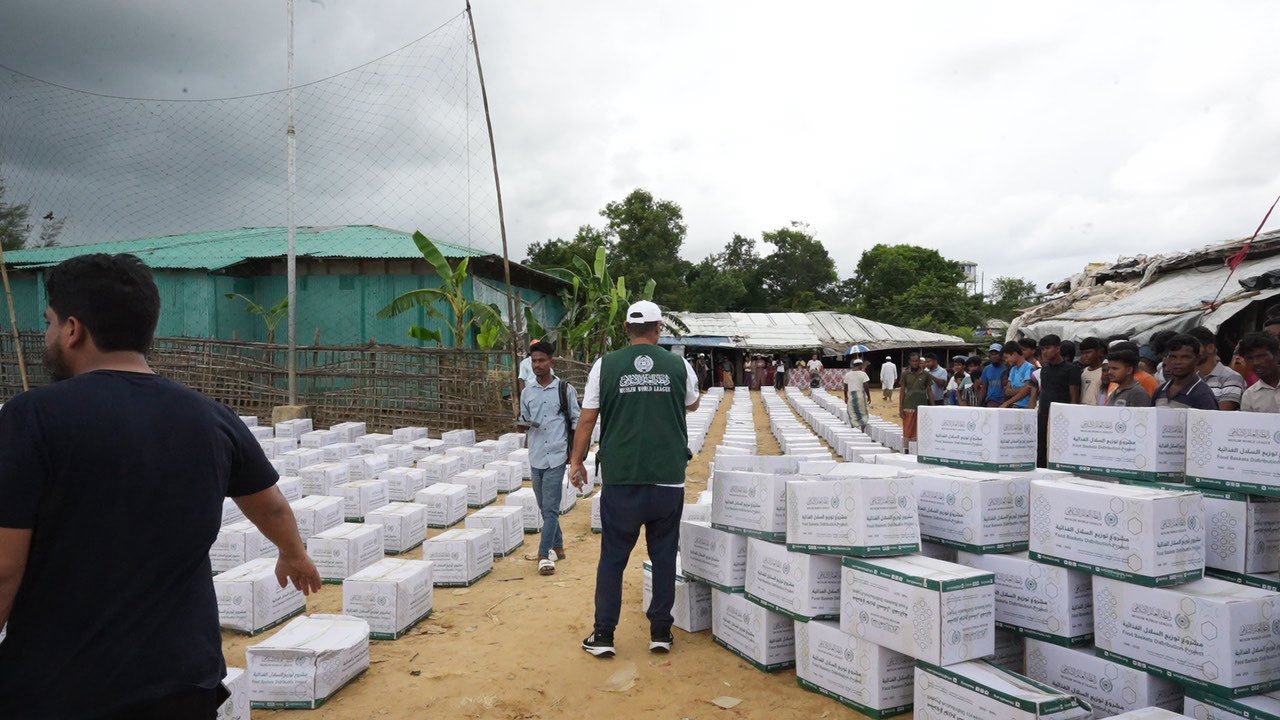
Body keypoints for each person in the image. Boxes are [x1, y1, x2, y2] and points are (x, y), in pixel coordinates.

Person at [0, 254, 322, 719]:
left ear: (74, 329)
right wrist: (293, 553)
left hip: (63, 687)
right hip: (183, 682)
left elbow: (5, 569)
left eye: (49, 323)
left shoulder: (31, 418)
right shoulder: (211, 417)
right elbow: (270, 505)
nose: (47, 336)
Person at [569, 300, 700, 658]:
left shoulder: (605, 365)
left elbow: (587, 419)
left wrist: (576, 460)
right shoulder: (679, 364)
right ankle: (660, 632)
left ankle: (604, 635)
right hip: (667, 480)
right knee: (662, 555)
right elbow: (692, 404)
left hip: (622, 479)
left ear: (626, 329)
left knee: (613, 557)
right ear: (659, 328)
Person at [518, 340, 580, 576]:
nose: (537, 365)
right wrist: (521, 426)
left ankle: (544, 555)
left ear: (551, 361)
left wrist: (575, 456)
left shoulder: (565, 390)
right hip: (535, 455)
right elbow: (524, 418)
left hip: (556, 455)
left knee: (551, 508)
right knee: (544, 507)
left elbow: (576, 420)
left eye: (542, 360)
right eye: (534, 361)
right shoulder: (527, 392)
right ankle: (559, 547)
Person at [1035, 335, 1082, 467]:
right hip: (1043, 415)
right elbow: (1043, 392)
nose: (1045, 352)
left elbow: (1074, 397)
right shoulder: (1044, 369)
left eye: (1048, 348)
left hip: (1062, 418)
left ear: (1057, 349)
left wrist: (1071, 418)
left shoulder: (1071, 369)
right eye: (1043, 349)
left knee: (1060, 452)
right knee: (1041, 451)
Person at [1153, 334, 1218, 410]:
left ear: (1197, 359)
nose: (1178, 362)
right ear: (1166, 359)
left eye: (1185, 357)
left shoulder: (1203, 395)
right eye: (1173, 357)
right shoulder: (1160, 391)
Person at [1187, 327, 1245, 411]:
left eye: (1195, 348)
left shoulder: (1231, 377)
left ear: (1210, 348)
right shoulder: (1189, 378)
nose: (1191, 352)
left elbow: (1221, 414)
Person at [1239, 332, 1280, 412]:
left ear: (1277, 355)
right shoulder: (1249, 396)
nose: (1255, 363)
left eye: (1261, 356)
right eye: (1250, 358)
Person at [898, 354, 931, 453]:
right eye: (913, 361)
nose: (915, 363)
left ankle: (919, 450)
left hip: (922, 406)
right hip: (908, 405)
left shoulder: (926, 375)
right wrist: (900, 407)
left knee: (921, 428)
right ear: (910, 362)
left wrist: (932, 407)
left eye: (917, 361)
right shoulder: (905, 374)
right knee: (908, 429)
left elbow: (929, 391)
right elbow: (902, 390)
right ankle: (907, 450)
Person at [1001, 343, 1036, 409]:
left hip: (1026, 407)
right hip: (1015, 405)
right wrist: (1022, 390)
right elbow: (1007, 391)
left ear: (1014, 354)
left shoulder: (1030, 368)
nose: (1006, 360)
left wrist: (1007, 402)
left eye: (1007, 357)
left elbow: (1027, 390)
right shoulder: (1013, 369)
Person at [842, 358, 871, 430]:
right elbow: (866, 385)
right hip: (860, 395)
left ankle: (854, 429)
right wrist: (868, 396)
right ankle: (862, 430)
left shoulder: (848, 374)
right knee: (863, 412)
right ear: (860, 365)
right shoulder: (863, 374)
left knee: (852, 413)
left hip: (851, 396)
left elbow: (845, 387)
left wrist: (846, 397)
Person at [977, 343, 1007, 407]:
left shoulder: (1007, 368)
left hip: (1005, 402)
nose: (994, 356)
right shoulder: (987, 369)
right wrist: (979, 404)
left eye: (996, 354)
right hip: (991, 401)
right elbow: (984, 388)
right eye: (992, 354)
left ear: (1001, 355)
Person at [1077, 337, 1105, 405]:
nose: (1085, 356)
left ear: (1099, 352)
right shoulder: (1083, 372)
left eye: (1088, 352)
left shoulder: (1105, 372)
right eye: (1082, 353)